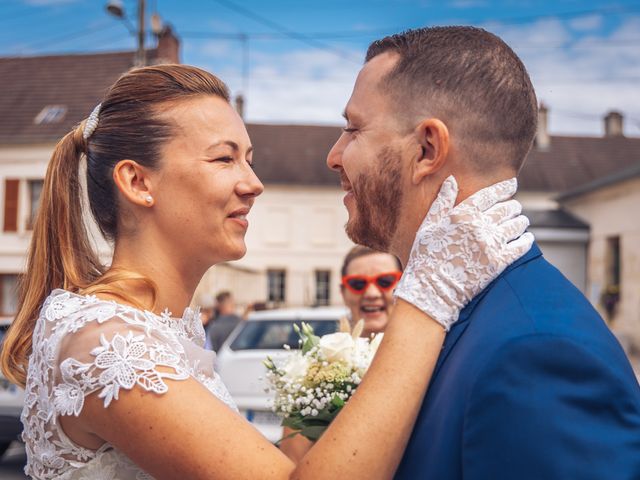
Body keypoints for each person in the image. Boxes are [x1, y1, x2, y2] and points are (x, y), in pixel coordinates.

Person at [0, 64, 530, 479]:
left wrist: (315, 406)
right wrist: (428, 292)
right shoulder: (107, 345)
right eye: (224, 159)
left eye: (249, 159)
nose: (253, 183)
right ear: (139, 183)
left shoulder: (161, 326)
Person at [326, 26, 640, 479]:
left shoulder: (536, 353)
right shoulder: (453, 307)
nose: (334, 156)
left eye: (354, 129)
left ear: (427, 149)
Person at [280, 245, 402, 461]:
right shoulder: (314, 370)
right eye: (358, 284)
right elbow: (294, 458)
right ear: (343, 293)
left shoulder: (427, 359)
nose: (372, 293)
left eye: (385, 281)